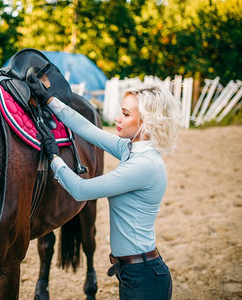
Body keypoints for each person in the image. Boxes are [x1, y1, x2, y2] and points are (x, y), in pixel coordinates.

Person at [27, 73, 180, 300]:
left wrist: (54, 157)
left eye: (126, 114)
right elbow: (88, 130)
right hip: (133, 272)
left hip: (143, 277)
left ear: (147, 123)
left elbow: (81, 190)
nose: (117, 118)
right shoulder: (130, 149)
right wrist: (50, 101)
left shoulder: (143, 166)